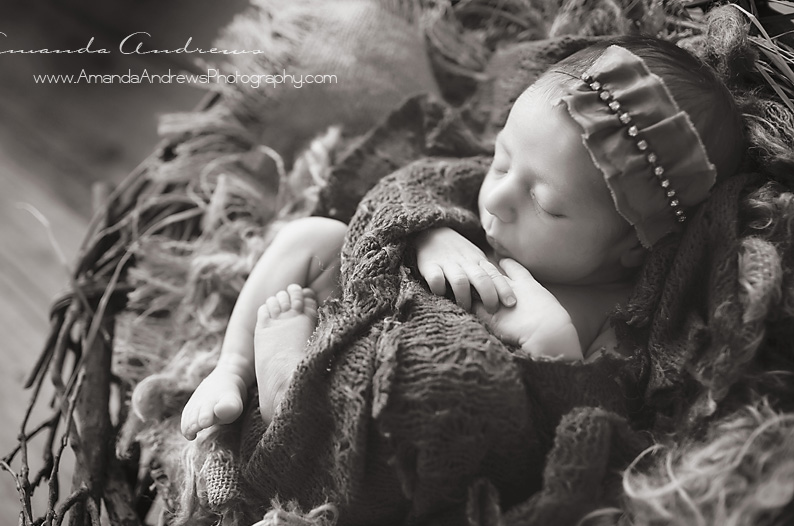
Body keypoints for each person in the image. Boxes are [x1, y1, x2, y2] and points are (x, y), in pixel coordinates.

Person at [180, 36, 745, 440]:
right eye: (501, 160)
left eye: (545, 204)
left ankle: (303, 405)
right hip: (364, 310)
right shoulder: (491, 196)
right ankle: (233, 366)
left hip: (415, 398)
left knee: (450, 405)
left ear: (630, 247)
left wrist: (551, 341)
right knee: (314, 235)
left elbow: (593, 419)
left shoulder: (619, 317)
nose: (499, 197)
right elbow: (407, 187)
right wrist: (431, 233)